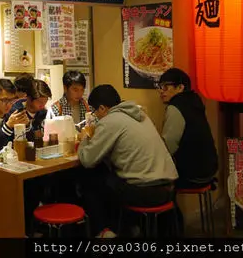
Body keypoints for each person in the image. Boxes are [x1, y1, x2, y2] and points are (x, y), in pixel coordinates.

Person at [78, 85, 178, 237]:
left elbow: (87, 159)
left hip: (147, 192)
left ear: (102, 108)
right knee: (109, 177)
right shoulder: (140, 114)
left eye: (95, 111)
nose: (95, 116)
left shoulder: (110, 121)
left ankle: (105, 231)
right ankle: (129, 228)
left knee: (91, 178)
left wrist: (84, 138)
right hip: (169, 188)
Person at [158, 68, 218, 188]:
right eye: (160, 87)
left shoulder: (175, 107)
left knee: (151, 178)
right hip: (210, 170)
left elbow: (168, 147)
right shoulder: (195, 102)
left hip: (192, 175)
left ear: (180, 87)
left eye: (166, 87)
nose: (161, 91)